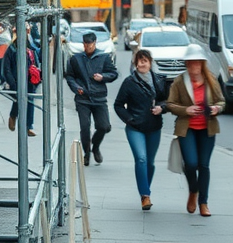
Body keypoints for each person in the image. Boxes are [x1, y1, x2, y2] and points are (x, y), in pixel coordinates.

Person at [166, 43, 225, 217]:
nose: (194, 66)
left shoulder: (211, 80)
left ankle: (203, 203)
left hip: (207, 128)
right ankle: (193, 190)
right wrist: (186, 110)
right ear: (186, 64)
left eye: (197, 62)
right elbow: (170, 104)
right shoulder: (179, 81)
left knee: (204, 165)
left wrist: (216, 108)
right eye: (191, 62)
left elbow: (221, 101)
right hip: (187, 128)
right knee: (191, 164)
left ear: (202, 63)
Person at [113, 49, 169, 210]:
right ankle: (145, 195)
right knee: (141, 159)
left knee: (150, 163)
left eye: (145, 61)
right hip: (135, 128)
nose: (142, 64)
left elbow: (167, 101)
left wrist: (162, 108)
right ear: (135, 64)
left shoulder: (159, 80)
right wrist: (130, 119)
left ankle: (146, 191)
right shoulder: (129, 82)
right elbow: (118, 105)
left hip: (154, 127)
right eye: (139, 61)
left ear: (150, 62)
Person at [64, 31, 118, 166]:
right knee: (85, 126)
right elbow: (69, 76)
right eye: (85, 44)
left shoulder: (103, 57)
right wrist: (76, 87)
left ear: (95, 43)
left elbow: (113, 73)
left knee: (104, 126)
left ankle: (95, 147)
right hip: (83, 98)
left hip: (99, 97)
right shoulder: (76, 59)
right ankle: (86, 153)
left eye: (90, 44)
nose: (87, 47)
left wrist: (103, 77)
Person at [2, 24, 41, 137]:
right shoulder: (12, 49)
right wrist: (12, 82)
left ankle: (29, 126)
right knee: (19, 100)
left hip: (30, 80)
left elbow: (36, 61)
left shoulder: (31, 47)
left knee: (30, 101)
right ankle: (13, 115)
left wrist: (37, 78)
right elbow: (6, 69)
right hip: (17, 80)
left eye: (26, 31)